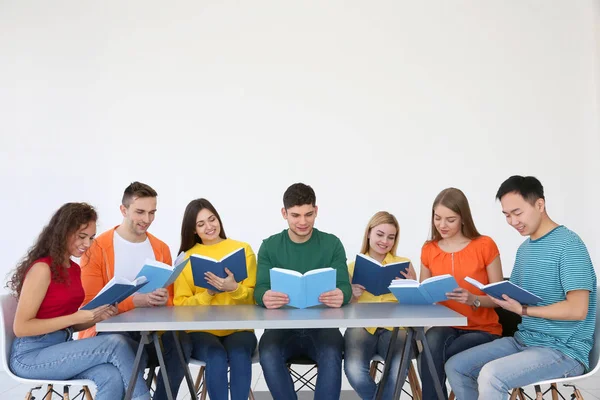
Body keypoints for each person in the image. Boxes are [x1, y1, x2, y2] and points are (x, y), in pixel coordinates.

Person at [446, 176, 597, 400]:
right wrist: (488, 297)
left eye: (517, 212)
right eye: (507, 215)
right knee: (456, 366)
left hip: (563, 351)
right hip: (524, 341)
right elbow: (516, 296)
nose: (513, 221)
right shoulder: (524, 250)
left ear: (539, 204)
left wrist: (525, 311)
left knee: (491, 375)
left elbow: (577, 310)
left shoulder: (569, 245)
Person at [7, 203, 150, 400]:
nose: (88, 243)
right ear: (63, 232)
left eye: (91, 238)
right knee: (115, 343)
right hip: (30, 356)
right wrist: (76, 317)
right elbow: (21, 328)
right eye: (82, 236)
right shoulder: (42, 269)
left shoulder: (73, 269)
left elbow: (71, 325)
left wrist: (95, 317)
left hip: (61, 348)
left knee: (113, 376)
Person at [79, 182, 182, 400]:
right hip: (109, 333)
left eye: (152, 213)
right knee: (131, 350)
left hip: (150, 331)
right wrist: (135, 301)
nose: (147, 220)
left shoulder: (160, 248)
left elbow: (171, 299)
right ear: (123, 210)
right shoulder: (96, 248)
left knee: (181, 342)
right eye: (140, 212)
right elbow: (89, 305)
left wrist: (164, 299)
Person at [254, 183, 352, 400]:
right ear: (284, 213)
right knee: (267, 352)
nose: (303, 222)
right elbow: (259, 289)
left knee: (332, 351)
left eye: (309, 214)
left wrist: (342, 295)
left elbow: (345, 286)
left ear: (316, 211)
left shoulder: (332, 243)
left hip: (322, 327)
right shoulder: (269, 246)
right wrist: (264, 297)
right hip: (280, 328)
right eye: (295, 215)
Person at [418, 188, 503, 400]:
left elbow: (501, 298)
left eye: (450, 220)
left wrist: (473, 299)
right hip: (445, 326)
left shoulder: (485, 245)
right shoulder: (429, 249)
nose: (442, 225)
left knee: (432, 355)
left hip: (482, 330)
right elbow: (424, 295)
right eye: (437, 218)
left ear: (463, 218)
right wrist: (415, 288)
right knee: (431, 343)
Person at [173, 198, 257, 400]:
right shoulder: (186, 258)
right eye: (201, 224)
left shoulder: (243, 250)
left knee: (239, 355)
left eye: (212, 219)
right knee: (216, 357)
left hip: (239, 328)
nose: (209, 227)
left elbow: (255, 298)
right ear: (193, 230)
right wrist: (208, 294)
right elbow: (181, 306)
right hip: (201, 330)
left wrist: (234, 288)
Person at [344, 211, 417, 399]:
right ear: (368, 233)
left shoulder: (405, 265)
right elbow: (344, 307)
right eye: (380, 234)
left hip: (396, 328)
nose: (385, 241)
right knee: (353, 369)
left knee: (396, 370)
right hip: (362, 326)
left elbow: (415, 305)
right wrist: (351, 295)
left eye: (390, 237)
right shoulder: (351, 267)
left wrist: (411, 286)